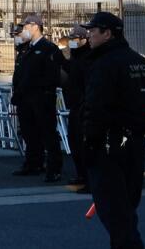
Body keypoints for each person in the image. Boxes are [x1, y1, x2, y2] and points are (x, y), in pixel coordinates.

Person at [82, 12, 145, 249]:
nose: (89, 35)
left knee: (115, 211)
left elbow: (96, 107)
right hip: (135, 141)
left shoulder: (104, 64)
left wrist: (89, 142)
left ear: (108, 33)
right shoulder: (142, 63)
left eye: (93, 31)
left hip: (109, 142)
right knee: (126, 207)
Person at [10, 14, 65, 182]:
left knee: (47, 132)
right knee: (28, 132)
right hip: (25, 98)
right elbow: (21, 74)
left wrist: (40, 89)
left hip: (42, 97)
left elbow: (53, 74)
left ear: (35, 26)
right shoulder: (27, 49)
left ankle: (54, 168)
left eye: (26, 27)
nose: (24, 30)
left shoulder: (49, 48)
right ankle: (33, 163)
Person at [62, 24, 92, 190]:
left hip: (83, 104)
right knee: (74, 141)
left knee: (82, 142)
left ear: (83, 40)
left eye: (75, 39)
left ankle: (87, 177)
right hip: (74, 104)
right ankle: (81, 174)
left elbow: (77, 74)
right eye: (71, 39)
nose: (72, 42)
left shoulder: (87, 57)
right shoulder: (73, 56)